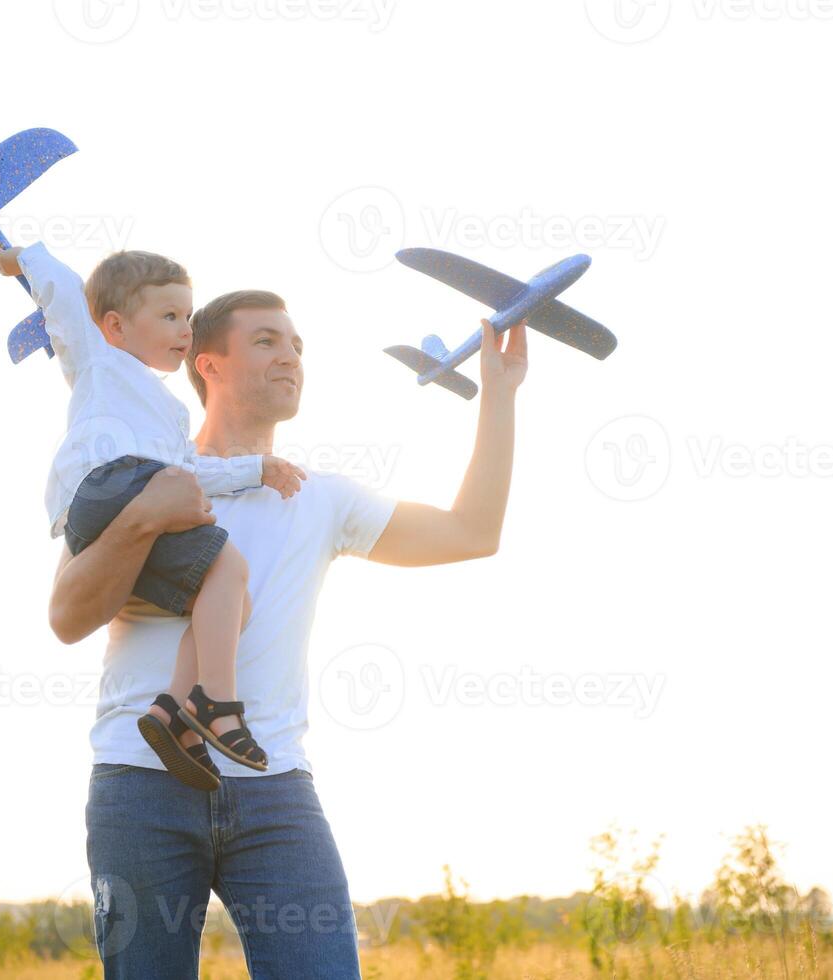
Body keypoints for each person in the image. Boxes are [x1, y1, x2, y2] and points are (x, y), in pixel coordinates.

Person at [50, 282, 528, 978]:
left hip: (272, 787)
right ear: (206, 363)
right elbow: (66, 617)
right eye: (267, 341)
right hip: (140, 779)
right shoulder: (136, 472)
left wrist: (500, 394)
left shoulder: (319, 496)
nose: (291, 357)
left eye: (297, 345)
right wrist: (145, 513)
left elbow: (471, 533)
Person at [0, 241, 307, 790]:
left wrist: (256, 469)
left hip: (135, 489)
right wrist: (25, 259)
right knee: (229, 569)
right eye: (168, 316)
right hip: (109, 485)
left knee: (229, 599)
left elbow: (187, 473)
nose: (184, 329)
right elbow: (66, 298)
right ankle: (216, 704)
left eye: (187, 316)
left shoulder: (169, 408)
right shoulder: (99, 361)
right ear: (114, 325)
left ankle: (173, 713)